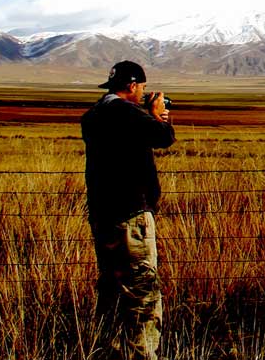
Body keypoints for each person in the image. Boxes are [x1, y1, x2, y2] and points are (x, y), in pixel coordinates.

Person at [81, 60, 175, 360]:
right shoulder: (127, 114)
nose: (144, 93)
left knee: (111, 286)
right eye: (143, 88)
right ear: (132, 86)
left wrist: (146, 115)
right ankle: (142, 353)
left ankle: (107, 349)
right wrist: (158, 115)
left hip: (103, 215)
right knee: (142, 288)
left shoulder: (94, 114)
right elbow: (164, 138)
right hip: (131, 214)